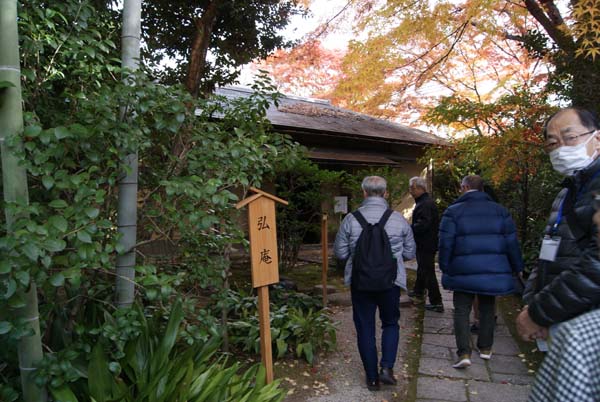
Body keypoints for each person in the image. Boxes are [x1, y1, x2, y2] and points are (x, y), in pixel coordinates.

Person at [516, 107, 600, 342]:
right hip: (566, 321)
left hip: (589, 329)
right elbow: (549, 252)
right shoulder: (568, 191)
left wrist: (539, 313)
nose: (562, 148)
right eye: (553, 143)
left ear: (597, 139)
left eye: (570, 138)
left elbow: (596, 266)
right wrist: (533, 301)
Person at [334, 176, 416, 391]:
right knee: (390, 323)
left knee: (365, 328)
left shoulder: (351, 219)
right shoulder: (398, 219)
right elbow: (410, 252)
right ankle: (387, 368)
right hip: (390, 282)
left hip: (360, 282)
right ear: (386, 193)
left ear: (364, 193)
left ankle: (371, 378)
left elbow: (340, 253)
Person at [438, 175, 523, 368]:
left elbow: (445, 244)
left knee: (461, 310)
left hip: (463, 268)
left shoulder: (453, 212)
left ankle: (464, 353)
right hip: (492, 269)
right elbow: (512, 243)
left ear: (465, 187)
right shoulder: (500, 211)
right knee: (487, 307)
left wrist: (445, 266)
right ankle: (485, 348)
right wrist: (517, 267)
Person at [408, 176, 443, 312]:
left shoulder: (425, 204)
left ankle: (436, 301)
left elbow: (423, 223)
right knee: (423, 268)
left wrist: (410, 229)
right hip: (427, 242)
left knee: (428, 271)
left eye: (412, 188)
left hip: (426, 242)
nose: (410, 192)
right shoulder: (424, 202)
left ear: (419, 188)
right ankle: (418, 290)